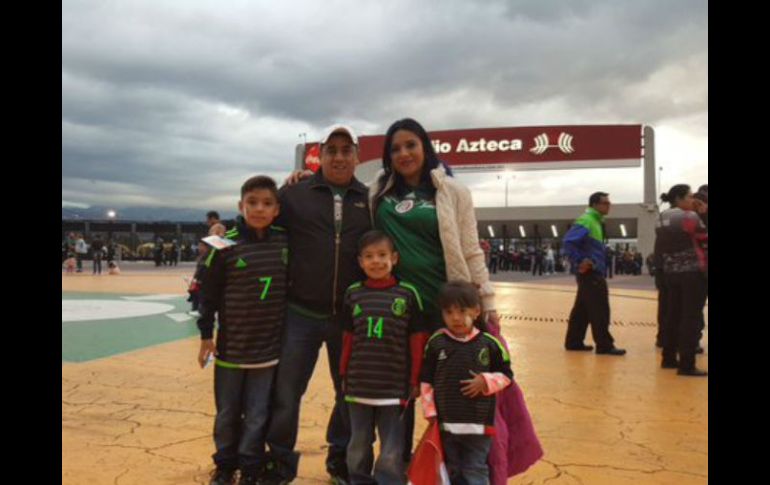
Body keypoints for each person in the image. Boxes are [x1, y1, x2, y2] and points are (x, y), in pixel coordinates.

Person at [262, 125, 372, 485]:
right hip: (300, 313)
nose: (339, 157)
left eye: (346, 150)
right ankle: (279, 460)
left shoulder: (370, 199)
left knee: (348, 392)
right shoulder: (295, 195)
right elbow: (260, 223)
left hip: (348, 317)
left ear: (357, 156)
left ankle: (340, 457)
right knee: (287, 392)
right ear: (319, 156)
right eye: (331, 150)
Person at [197, 175, 288, 485]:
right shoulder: (224, 244)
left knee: (258, 413)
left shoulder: (285, 241)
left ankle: (250, 466)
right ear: (240, 206)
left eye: (267, 203)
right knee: (227, 413)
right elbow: (208, 293)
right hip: (230, 349)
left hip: (268, 351)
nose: (259, 209)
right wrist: (205, 335)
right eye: (252, 202)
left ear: (277, 209)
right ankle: (225, 465)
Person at [339, 230, 428, 485]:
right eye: (369, 256)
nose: (376, 261)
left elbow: (417, 341)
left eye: (382, 255)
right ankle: (358, 479)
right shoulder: (353, 293)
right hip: (359, 385)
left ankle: (388, 481)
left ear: (394, 258)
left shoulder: (408, 294)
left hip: (394, 387)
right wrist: (343, 373)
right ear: (360, 262)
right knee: (358, 442)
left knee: (391, 446)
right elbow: (347, 339)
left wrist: (415, 379)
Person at [420, 281, 513, 485]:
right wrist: (430, 411)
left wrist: (485, 381)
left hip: (478, 425)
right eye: (449, 312)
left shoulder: (489, 344)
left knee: (475, 469)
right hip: (447, 424)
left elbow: (507, 375)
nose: (455, 318)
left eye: (462, 311)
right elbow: (426, 380)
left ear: (476, 311)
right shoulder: (436, 343)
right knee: (452, 469)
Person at [654, 184, 708, 377]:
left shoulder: (662, 217)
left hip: (671, 273)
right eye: (690, 196)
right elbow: (704, 238)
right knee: (690, 318)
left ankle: (668, 358)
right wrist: (704, 214)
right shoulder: (690, 217)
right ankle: (687, 364)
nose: (693, 200)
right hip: (693, 273)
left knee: (673, 315)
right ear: (679, 198)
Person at [563, 192, 626, 355]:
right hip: (591, 271)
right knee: (600, 309)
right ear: (595, 205)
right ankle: (604, 345)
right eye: (605, 203)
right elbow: (568, 242)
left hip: (590, 271)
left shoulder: (595, 221)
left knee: (582, 309)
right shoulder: (587, 220)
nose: (609, 205)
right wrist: (581, 260)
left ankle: (574, 342)